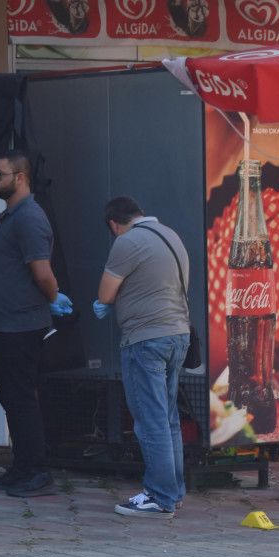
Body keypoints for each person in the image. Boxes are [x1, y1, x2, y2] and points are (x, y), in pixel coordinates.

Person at [0, 150, 71, 498]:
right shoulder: (12, 215)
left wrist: (52, 296)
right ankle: (22, 467)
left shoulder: (29, 217)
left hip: (19, 325)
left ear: (20, 178)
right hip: (4, 323)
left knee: (20, 397)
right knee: (10, 396)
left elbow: (42, 272)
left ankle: (36, 471)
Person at [95, 196, 191, 519]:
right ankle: (174, 492)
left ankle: (159, 496)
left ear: (113, 224)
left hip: (145, 339)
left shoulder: (127, 242)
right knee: (168, 418)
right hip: (178, 335)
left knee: (150, 420)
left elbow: (105, 294)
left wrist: (108, 303)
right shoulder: (170, 235)